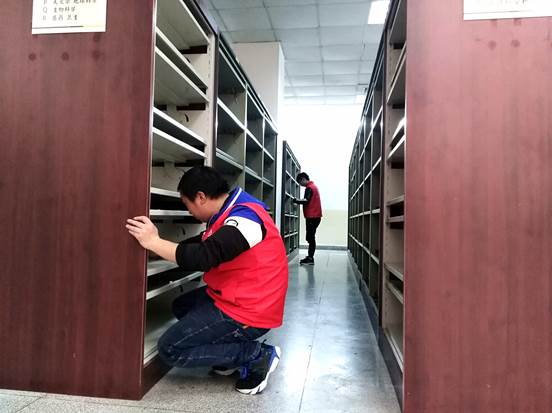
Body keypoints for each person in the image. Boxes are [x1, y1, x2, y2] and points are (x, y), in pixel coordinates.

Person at [126, 166, 288, 395]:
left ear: (200, 197)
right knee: (182, 306)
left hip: (250, 311)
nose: (189, 211)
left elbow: (205, 255)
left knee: (170, 349)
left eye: (187, 204)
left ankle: (255, 355)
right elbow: (202, 242)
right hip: (237, 297)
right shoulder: (228, 212)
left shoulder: (247, 218)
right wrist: (156, 249)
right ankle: (227, 356)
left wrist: (154, 242)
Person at [293, 172, 322, 265]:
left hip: (312, 217)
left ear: (303, 179)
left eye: (300, 182)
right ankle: (310, 257)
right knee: (310, 237)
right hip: (315, 216)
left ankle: (310, 258)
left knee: (311, 237)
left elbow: (306, 200)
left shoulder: (309, 188)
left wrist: (296, 200)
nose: (300, 185)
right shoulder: (314, 187)